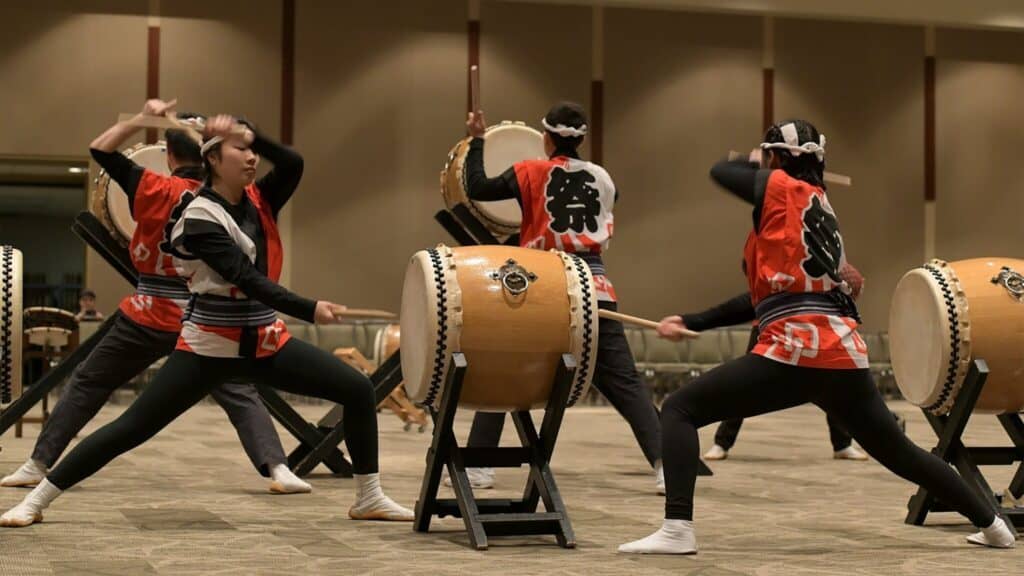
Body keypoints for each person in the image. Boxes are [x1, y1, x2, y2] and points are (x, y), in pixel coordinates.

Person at [618, 120, 1015, 554]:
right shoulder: (819, 211)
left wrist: (750, 160)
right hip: (840, 353)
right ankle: (994, 525)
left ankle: (677, 530)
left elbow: (720, 172)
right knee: (901, 452)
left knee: (678, 408)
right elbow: (764, 299)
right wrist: (693, 321)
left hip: (796, 348)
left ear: (776, 158)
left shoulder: (782, 189)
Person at [0, 114, 414, 527]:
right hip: (209, 348)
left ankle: (369, 497)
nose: (252, 158)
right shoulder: (199, 217)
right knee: (132, 427)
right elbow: (246, 278)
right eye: (241, 150)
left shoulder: (260, 199)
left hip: (266, 343)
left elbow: (292, 164)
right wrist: (310, 308)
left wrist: (253, 134)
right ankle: (37, 499)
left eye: (252, 150)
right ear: (213, 159)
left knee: (357, 389)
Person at [2, 100, 308, 496]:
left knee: (90, 381)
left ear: (168, 155)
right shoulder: (238, 197)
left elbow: (100, 149)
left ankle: (38, 462)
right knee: (238, 390)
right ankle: (278, 467)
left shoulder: (151, 185)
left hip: (149, 313)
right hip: (210, 317)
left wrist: (140, 117)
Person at [455, 102, 666, 493]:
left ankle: (481, 465)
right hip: (594, 288)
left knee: (502, 368)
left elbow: (477, 187)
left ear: (547, 138)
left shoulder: (531, 171)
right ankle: (664, 466)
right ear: (582, 138)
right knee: (627, 384)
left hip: (545, 291)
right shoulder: (603, 178)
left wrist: (479, 139)